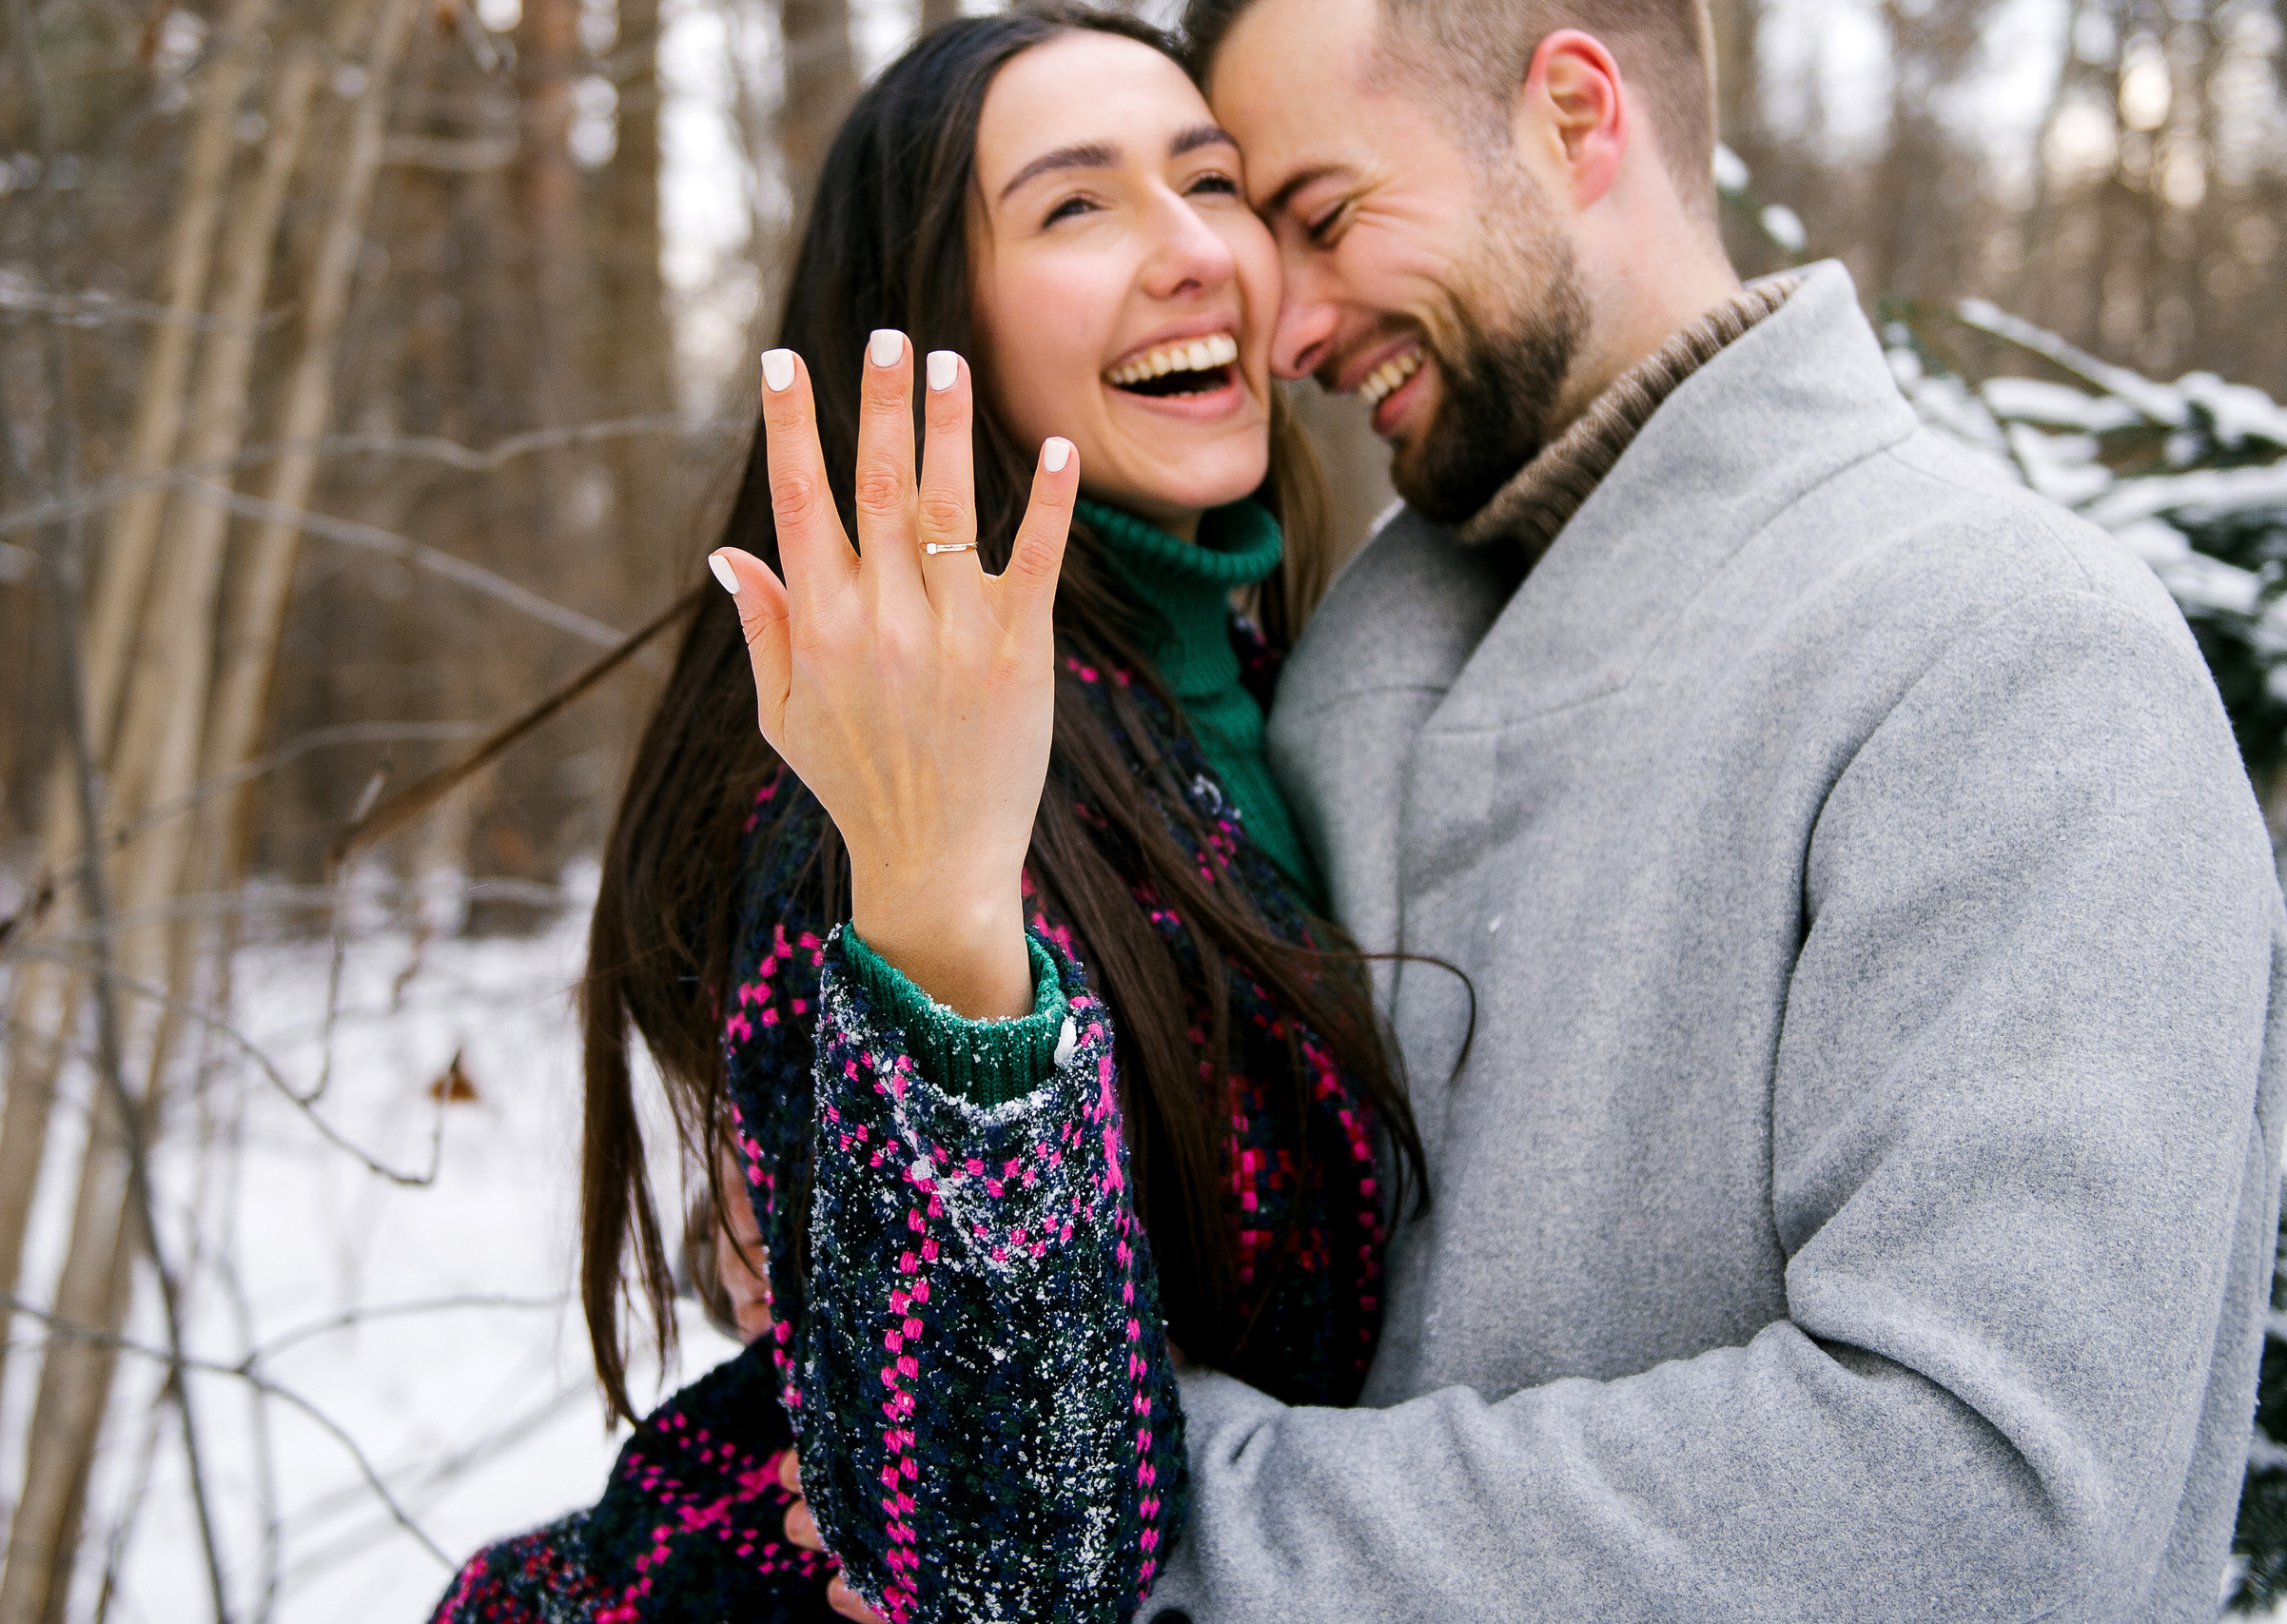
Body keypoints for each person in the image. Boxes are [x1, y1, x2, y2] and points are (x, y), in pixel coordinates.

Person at [1088, 0, 2277, 1617]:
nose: (1281, 325)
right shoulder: (1347, 683)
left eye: (1324, 216)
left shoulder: (2010, 650)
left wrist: (1160, 1513)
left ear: (1575, 116)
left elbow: (1979, 1512)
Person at [428, 10, 1423, 1622]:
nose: (1193, 254)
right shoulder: (868, 772)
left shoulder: (1288, 668)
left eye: (1211, 181)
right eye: (1076, 205)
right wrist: (941, 925)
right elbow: (1007, 1573)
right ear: (932, 322)